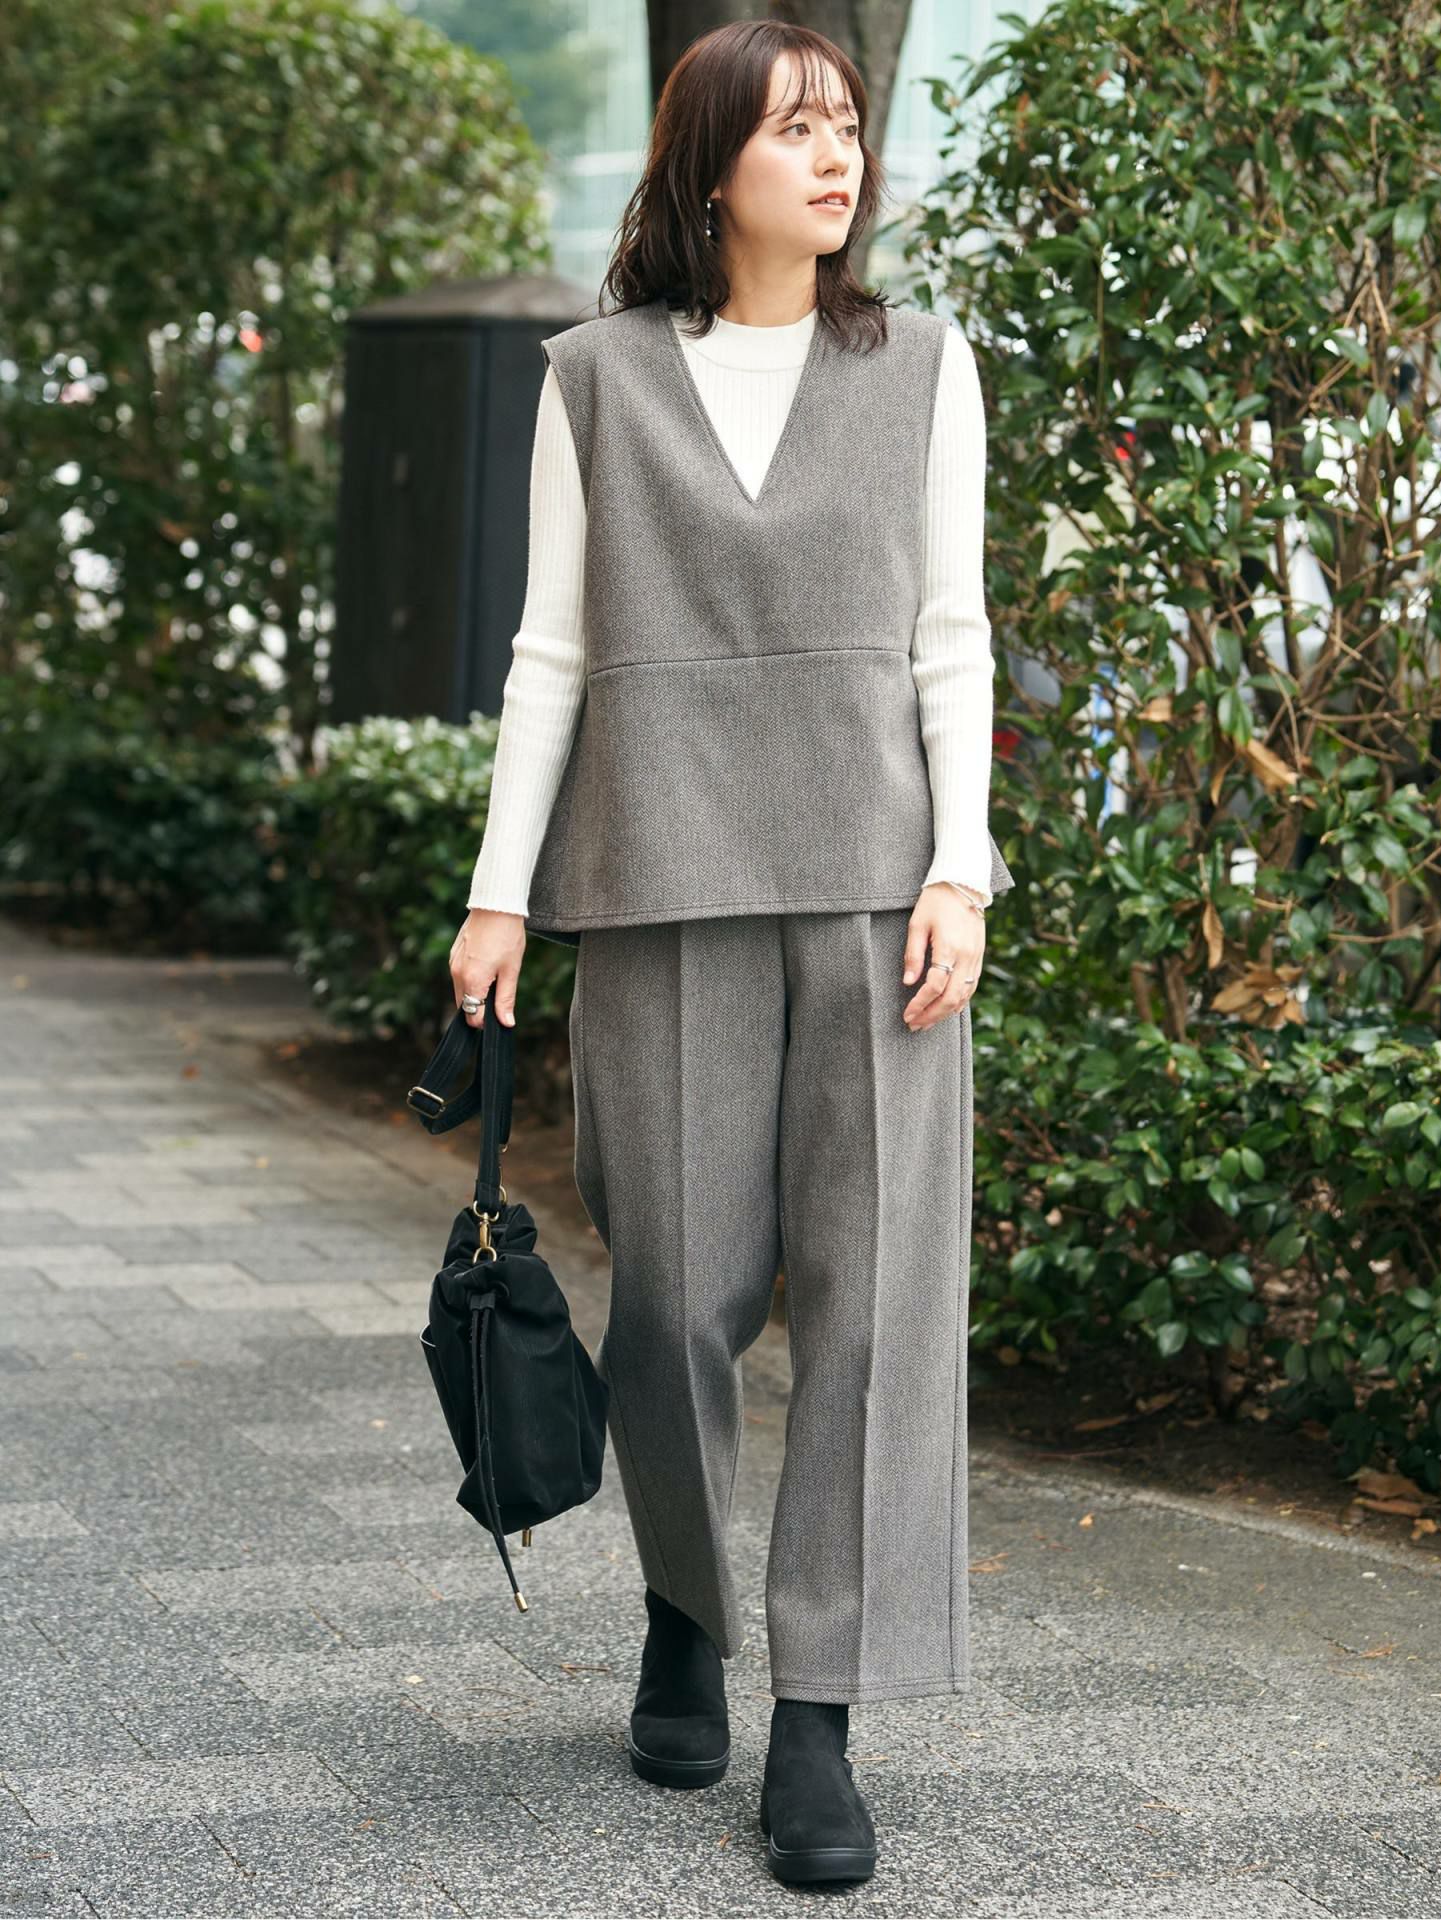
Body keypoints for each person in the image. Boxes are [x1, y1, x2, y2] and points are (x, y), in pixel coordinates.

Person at [448, 19, 1014, 1887]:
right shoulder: (596, 380)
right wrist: (500, 891)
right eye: (795, 130)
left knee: (870, 1306)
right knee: (677, 1296)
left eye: (848, 125)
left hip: (876, 892)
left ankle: (817, 1714)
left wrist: (962, 870)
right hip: (659, 880)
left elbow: (953, 639)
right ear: (709, 170)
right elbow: (550, 651)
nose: (839, 157)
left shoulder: (925, 369)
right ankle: (684, 1609)